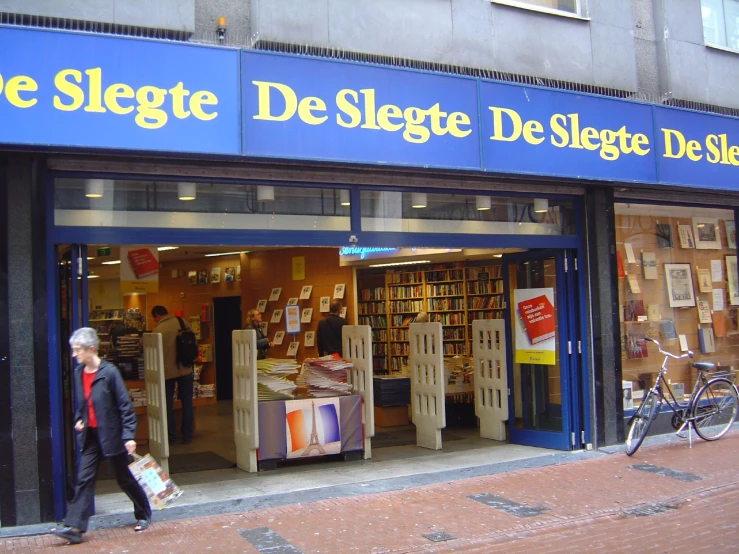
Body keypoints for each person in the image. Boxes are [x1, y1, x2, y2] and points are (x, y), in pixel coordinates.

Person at [51, 327, 151, 545]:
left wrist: (129, 436)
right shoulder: (79, 373)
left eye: (77, 350)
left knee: (124, 478)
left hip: (113, 436)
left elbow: (125, 406)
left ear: (92, 349)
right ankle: (75, 527)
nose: (74, 354)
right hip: (91, 436)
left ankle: (144, 513)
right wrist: (80, 419)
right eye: (73, 350)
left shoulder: (109, 373)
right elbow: (83, 404)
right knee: (84, 478)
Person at [151, 305, 194, 444]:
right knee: (187, 403)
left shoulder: (157, 331)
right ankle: (187, 435)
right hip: (186, 368)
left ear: (157, 316)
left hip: (166, 372)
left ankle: (171, 436)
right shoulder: (182, 322)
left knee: (167, 404)